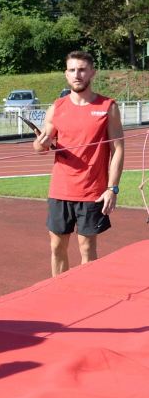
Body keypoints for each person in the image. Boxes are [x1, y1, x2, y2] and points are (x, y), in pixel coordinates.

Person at [33, 50, 124, 277]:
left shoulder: (108, 107)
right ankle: (58, 292)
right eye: (72, 70)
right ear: (66, 74)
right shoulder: (57, 107)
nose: (77, 75)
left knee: (86, 248)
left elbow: (118, 149)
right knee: (56, 247)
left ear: (92, 72)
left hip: (92, 191)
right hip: (61, 189)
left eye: (82, 70)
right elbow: (40, 148)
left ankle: (85, 295)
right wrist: (41, 144)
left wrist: (112, 188)